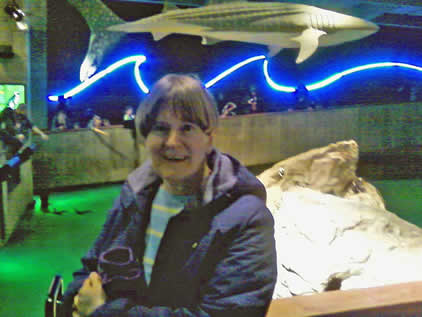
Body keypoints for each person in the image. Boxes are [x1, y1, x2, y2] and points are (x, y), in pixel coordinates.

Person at [63, 74, 277, 317]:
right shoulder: (135, 194)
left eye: (187, 128)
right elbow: (92, 265)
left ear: (209, 139)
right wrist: (75, 298)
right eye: (161, 129)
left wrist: (104, 313)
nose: (172, 142)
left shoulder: (246, 220)